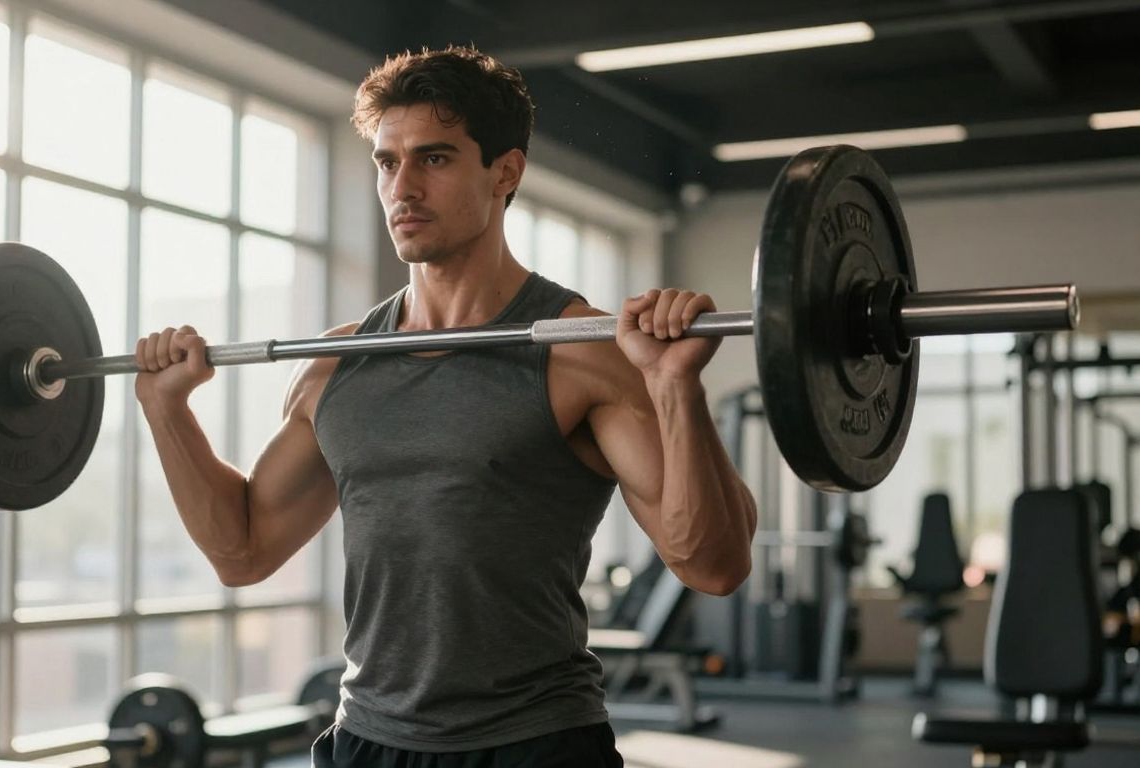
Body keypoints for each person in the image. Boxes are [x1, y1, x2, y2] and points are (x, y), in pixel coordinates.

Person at [135, 45, 756, 768]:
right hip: (369, 742)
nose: (402, 186)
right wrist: (166, 410)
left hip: (532, 745)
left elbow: (713, 564)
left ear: (506, 172)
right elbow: (242, 552)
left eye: (433, 159)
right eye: (386, 161)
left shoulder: (579, 352)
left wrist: (675, 384)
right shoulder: (337, 363)